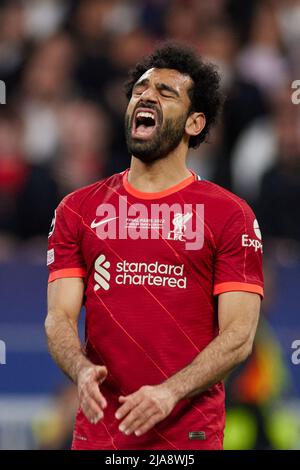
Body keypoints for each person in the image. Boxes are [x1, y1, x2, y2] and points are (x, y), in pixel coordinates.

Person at [45, 42, 264, 450]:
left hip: (188, 439)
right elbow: (58, 316)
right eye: (140, 90)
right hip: (100, 436)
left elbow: (239, 334)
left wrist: (170, 391)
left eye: (165, 92)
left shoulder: (230, 215)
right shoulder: (77, 209)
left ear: (194, 123)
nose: (146, 96)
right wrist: (80, 368)